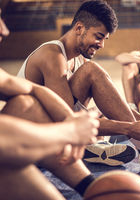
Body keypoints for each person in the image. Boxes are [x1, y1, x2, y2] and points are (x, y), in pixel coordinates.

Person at [16, 0, 140, 173]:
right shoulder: (52, 56)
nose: (101, 45)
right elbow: (67, 119)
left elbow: (81, 110)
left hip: (53, 132)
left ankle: (96, 146)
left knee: (98, 105)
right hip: (27, 143)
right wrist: (130, 128)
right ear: (79, 28)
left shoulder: (78, 59)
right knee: (92, 72)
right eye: (99, 37)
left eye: (105, 39)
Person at [0, 10, 100, 199]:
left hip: (33, 141)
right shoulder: (52, 53)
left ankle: (94, 189)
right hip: (18, 146)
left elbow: (34, 89)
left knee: (25, 103)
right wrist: (69, 131)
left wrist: (71, 120)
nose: (4, 30)